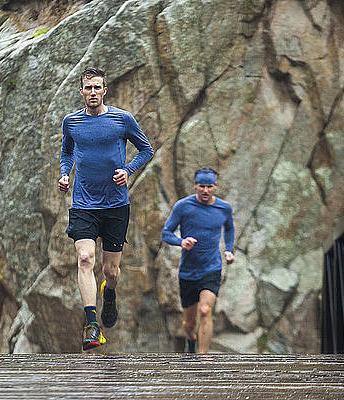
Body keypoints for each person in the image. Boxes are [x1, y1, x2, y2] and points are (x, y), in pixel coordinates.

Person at [58, 67, 153, 350]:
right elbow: (67, 152)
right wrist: (65, 173)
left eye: (97, 88)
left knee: (111, 271)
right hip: (84, 203)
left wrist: (129, 169)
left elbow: (146, 149)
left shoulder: (121, 119)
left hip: (115, 205)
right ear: (81, 92)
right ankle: (91, 324)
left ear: (104, 90)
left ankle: (109, 294)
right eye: (88, 88)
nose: (93, 93)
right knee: (85, 258)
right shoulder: (72, 122)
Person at [161, 167, 235, 354]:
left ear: (215, 186)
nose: (205, 190)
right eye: (201, 186)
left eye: (209, 186)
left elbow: (229, 228)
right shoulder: (183, 206)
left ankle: (203, 358)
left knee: (205, 310)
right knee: (189, 323)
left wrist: (229, 250)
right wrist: (181, 241)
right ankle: (191, 339)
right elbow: (166, 233)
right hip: (188, 271)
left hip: (211, 267)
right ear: (195, 185)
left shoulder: (224, 208)